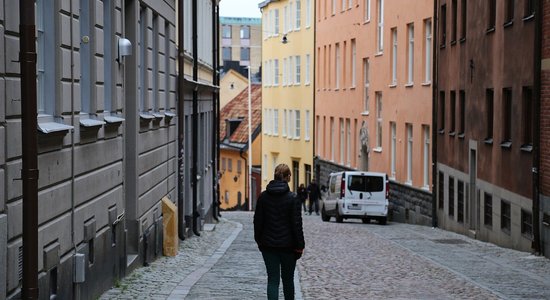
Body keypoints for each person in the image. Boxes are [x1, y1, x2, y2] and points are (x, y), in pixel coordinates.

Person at [254, 164, 305, 300]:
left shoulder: (263, 197)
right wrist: (300, 246)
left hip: (268, 245)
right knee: (288, 280)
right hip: (288, 247)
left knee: (272, 280)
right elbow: (297, 225)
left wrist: (259, 241)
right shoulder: (293, 198)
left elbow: (258, 222)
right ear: (288, 177)